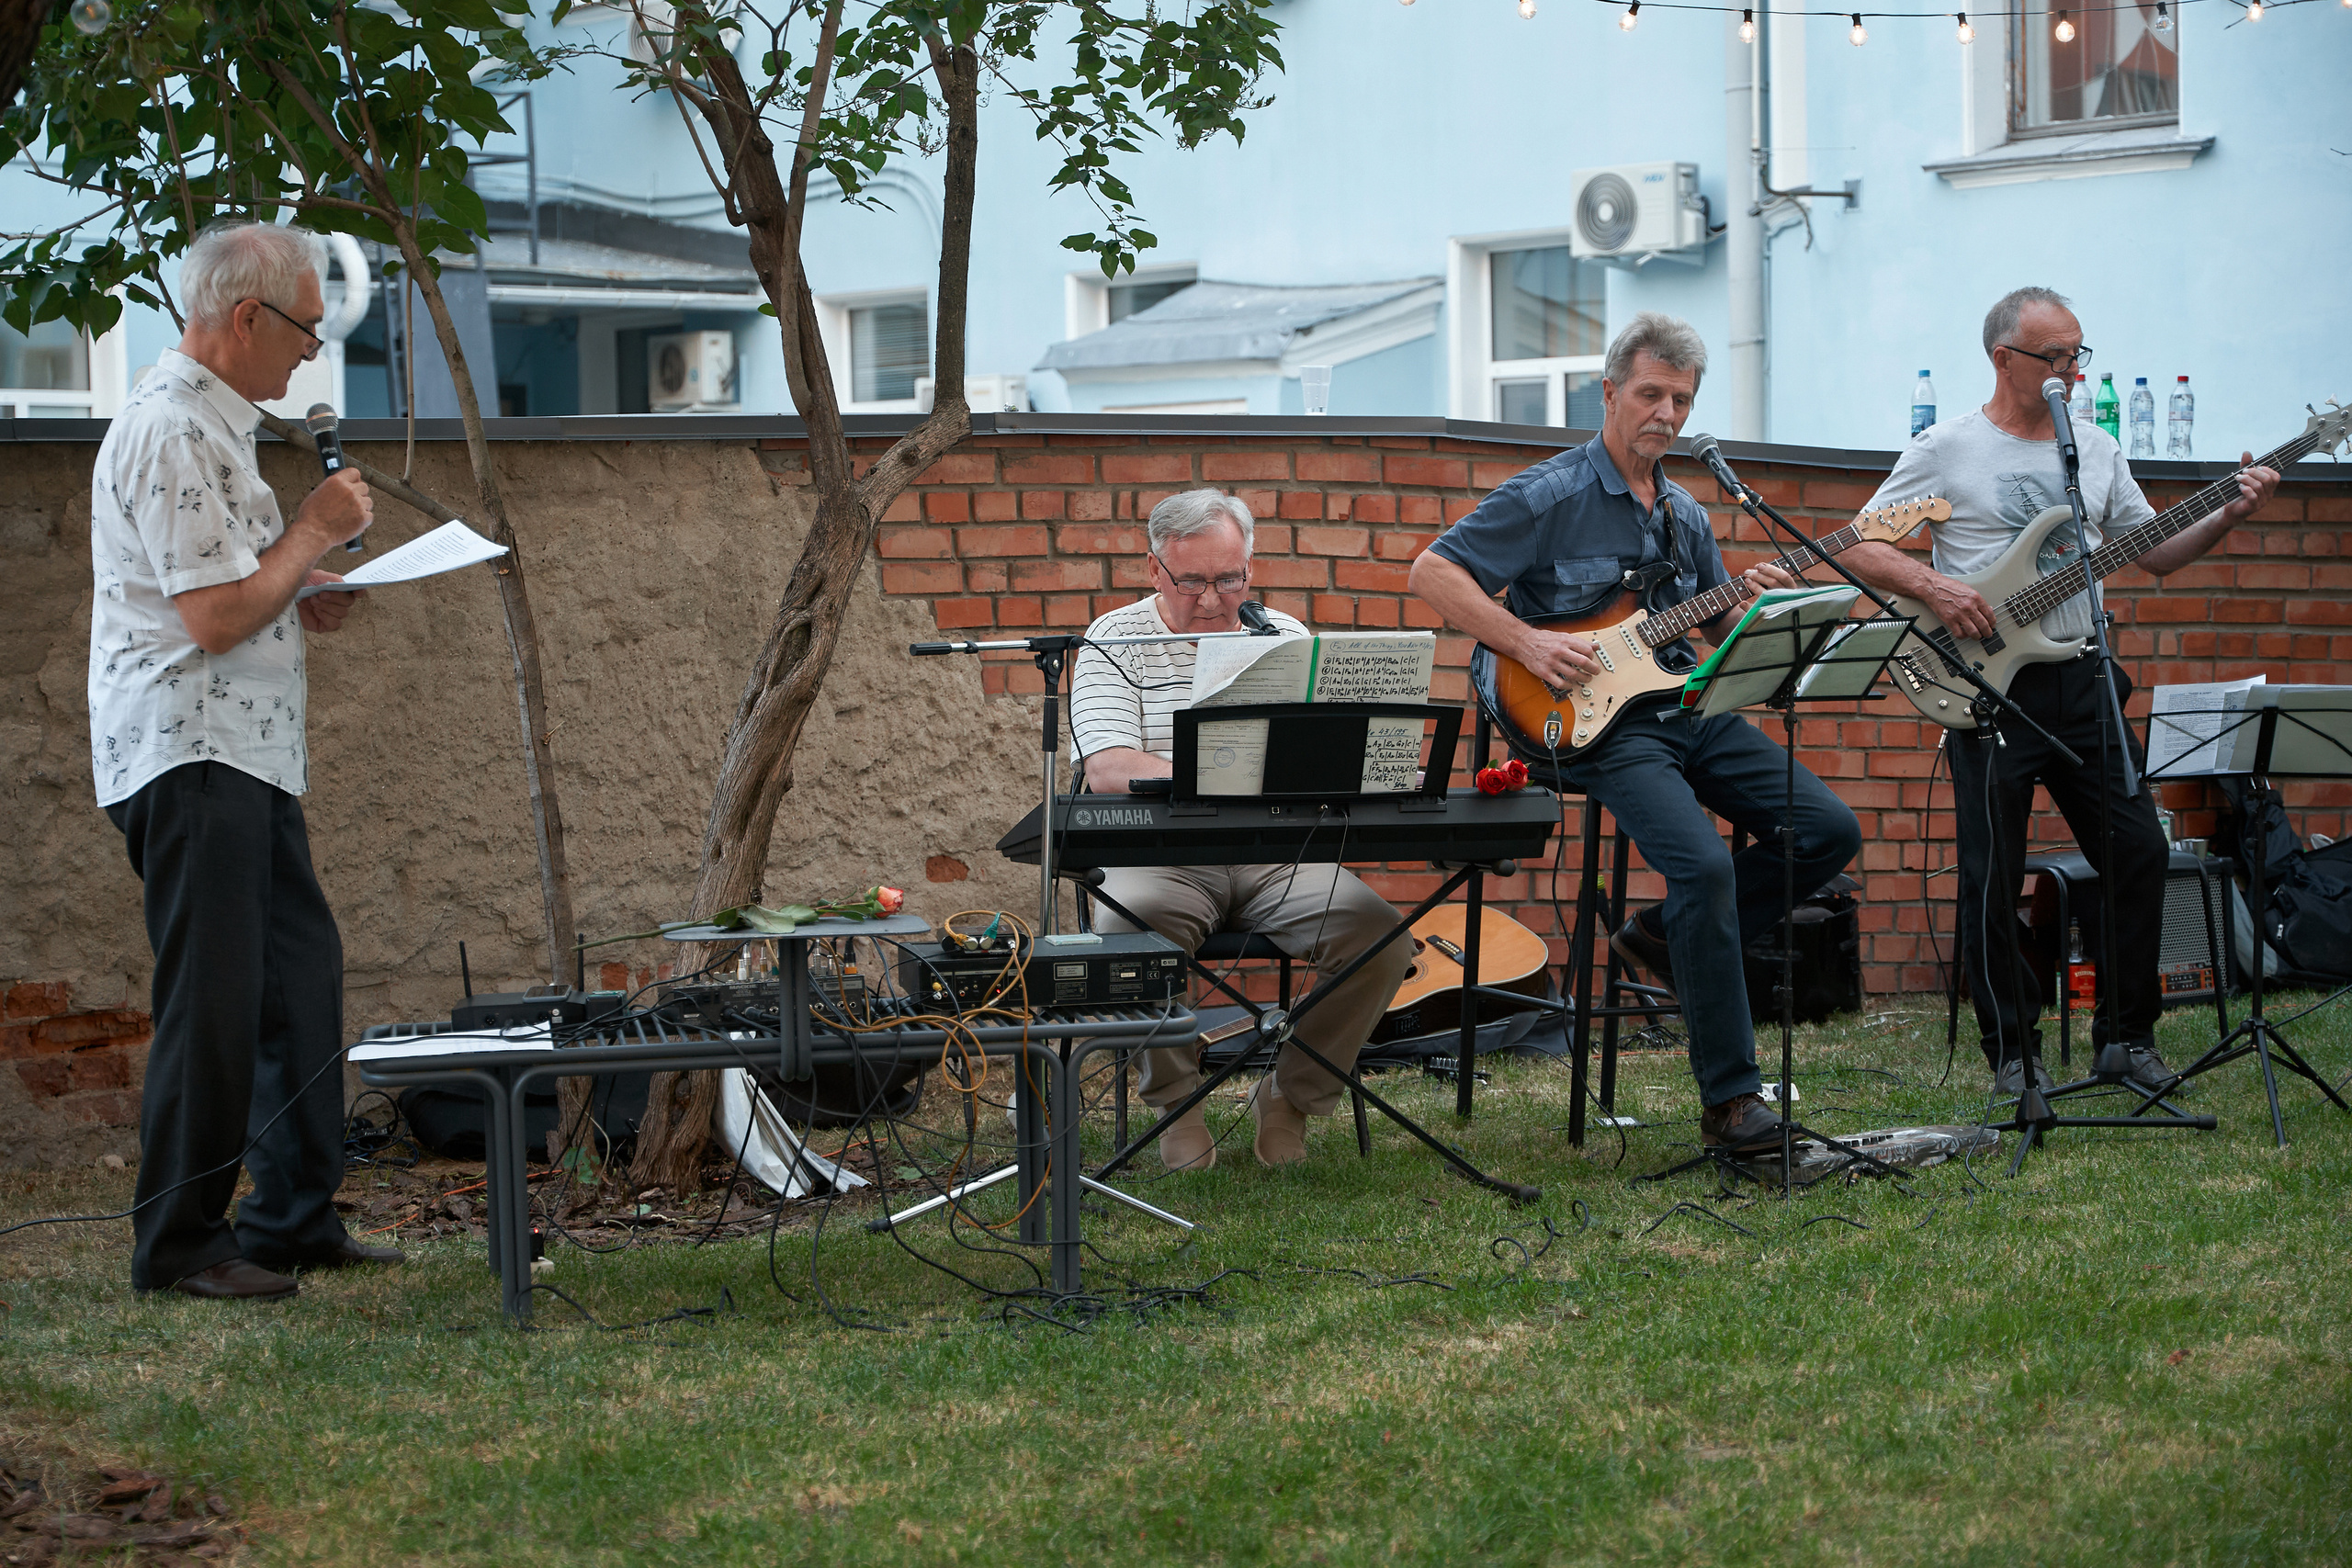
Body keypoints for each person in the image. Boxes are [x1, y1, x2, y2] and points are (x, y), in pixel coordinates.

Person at [1408, 312, 1861, 1153]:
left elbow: (1714, 634)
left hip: (1686, 705)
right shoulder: (1549, 495)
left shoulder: (1686, 513)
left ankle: (1661, 933)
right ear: (1610, 391)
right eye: (1651, 393)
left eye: (1682, 400)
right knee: (1702, 867)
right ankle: (1733, 1105)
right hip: (1595, 725)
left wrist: (1748, 604)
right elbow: (1432, 570)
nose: (1667, 413)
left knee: (1829, 830)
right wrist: (1528, 640)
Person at [1843, 286, 2278, 1097]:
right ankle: (2014, 1053)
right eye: (2056, 356)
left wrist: (2227, 513)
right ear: (2005, 359)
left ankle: (2127, 1040)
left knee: (2139, 849)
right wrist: (1937, 590)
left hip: (2082, 675)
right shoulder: (1947, 447)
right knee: (1991, 871)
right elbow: (1862, 544)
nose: (2072, 371)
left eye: (2079, 353)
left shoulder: (2096, 449)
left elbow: (2155, 551)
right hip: (1987, 681)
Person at [89, 220, 398, 1300]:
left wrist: (301, 592)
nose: (312, 352)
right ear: (246, 318)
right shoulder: (171, 429)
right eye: (307, 329)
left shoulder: (218, 429)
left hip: (248, 752)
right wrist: (311, 535)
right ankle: (177, 1244)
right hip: (191, 749)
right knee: (213, 1003)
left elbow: (241, 590)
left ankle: (289, 1218)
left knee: (294, 986)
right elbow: (214, 619)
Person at [1069, 491, 1415, 1169]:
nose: (1211, 598)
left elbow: (1321, 753)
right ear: (1154, 569)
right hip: (1161, 856)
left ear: (1249, 569)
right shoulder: (1116, 639)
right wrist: (1214, 768)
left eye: (1229, 578)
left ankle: (1290, 1095)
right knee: (1128, 930)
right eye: (1192, 580)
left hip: (1278, 854)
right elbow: (1109, 769)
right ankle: (1177, 1101)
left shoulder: (1280, 636)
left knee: (1381, 936)